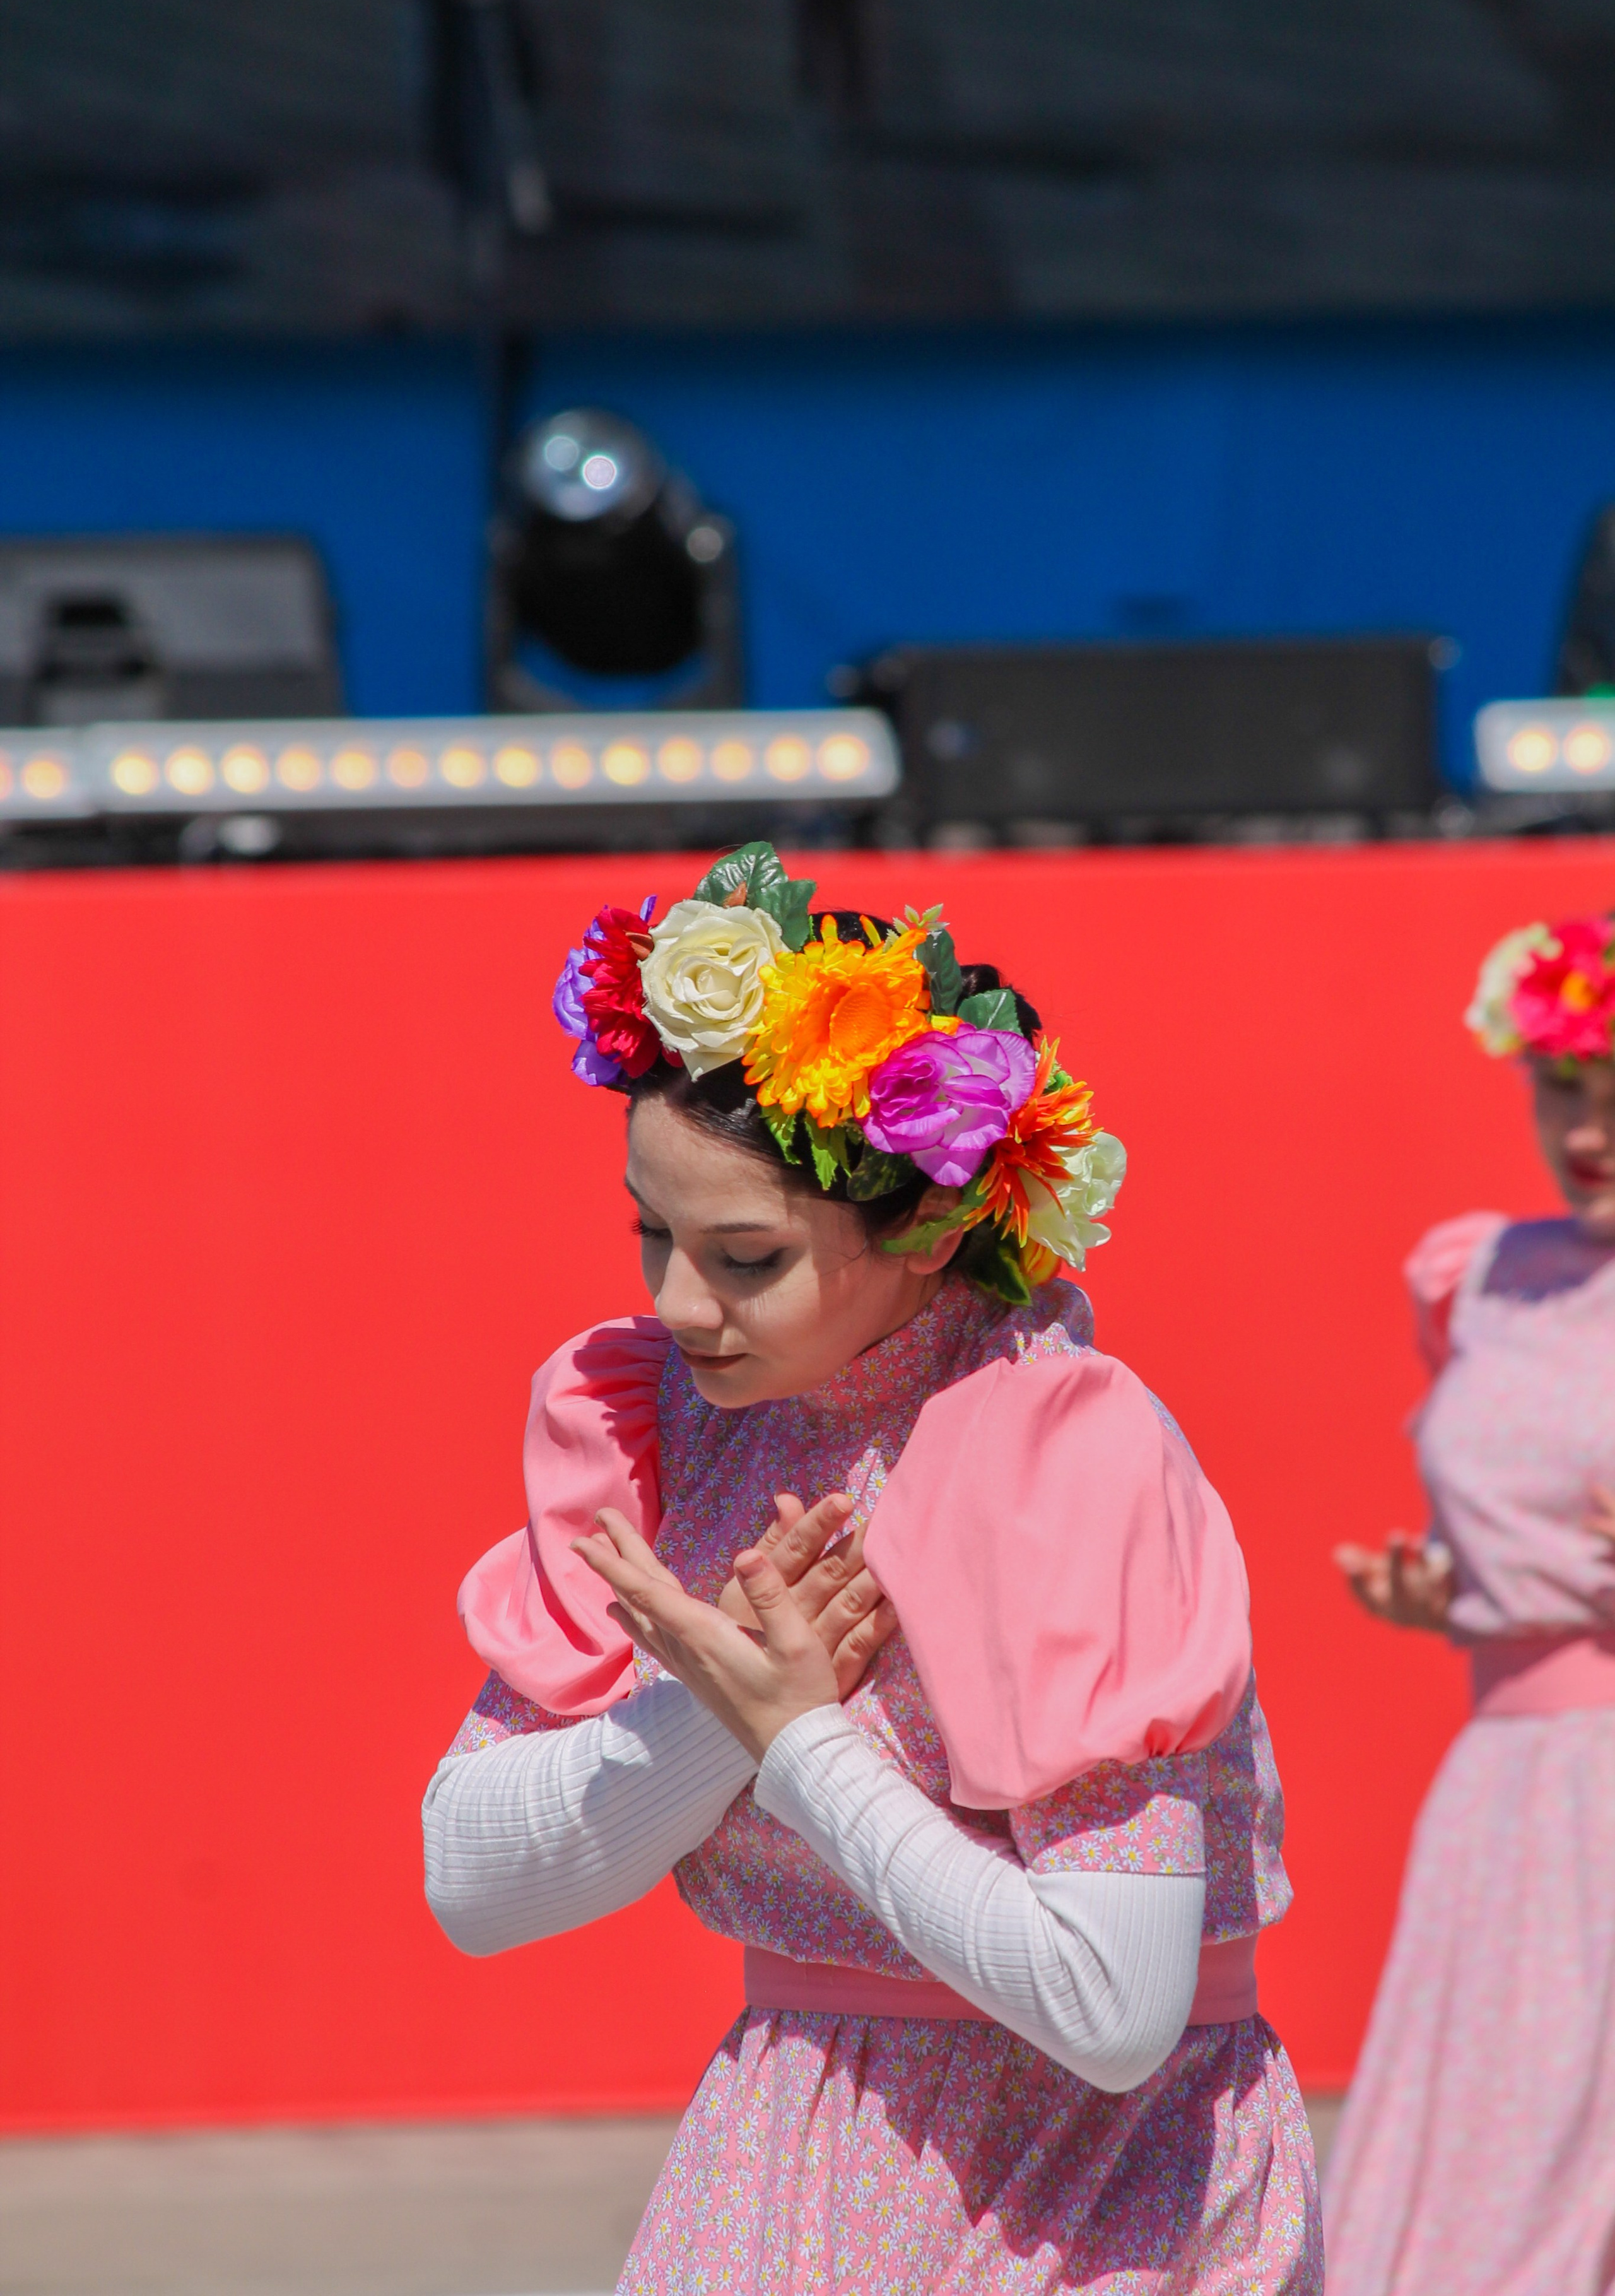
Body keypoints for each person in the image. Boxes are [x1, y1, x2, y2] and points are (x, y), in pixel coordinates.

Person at [422, 842, 1321, 2292]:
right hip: (778, 2165)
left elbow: (1112, 2008)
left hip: (1090, 2192)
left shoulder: (1056, 1451)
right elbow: (472, 1881)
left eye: (744, 1257)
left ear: (929, 1224)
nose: (678, 1302)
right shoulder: (647, 1422)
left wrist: (797, 1745)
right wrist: (714, 1720)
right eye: (651, 1233)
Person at [1327, 912, 1615, 2296]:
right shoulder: (1475, 1275)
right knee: (1480, 2195)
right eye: (1563, 1087)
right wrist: (1451, 1600)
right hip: (1511, 1794)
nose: (1586, 1131)